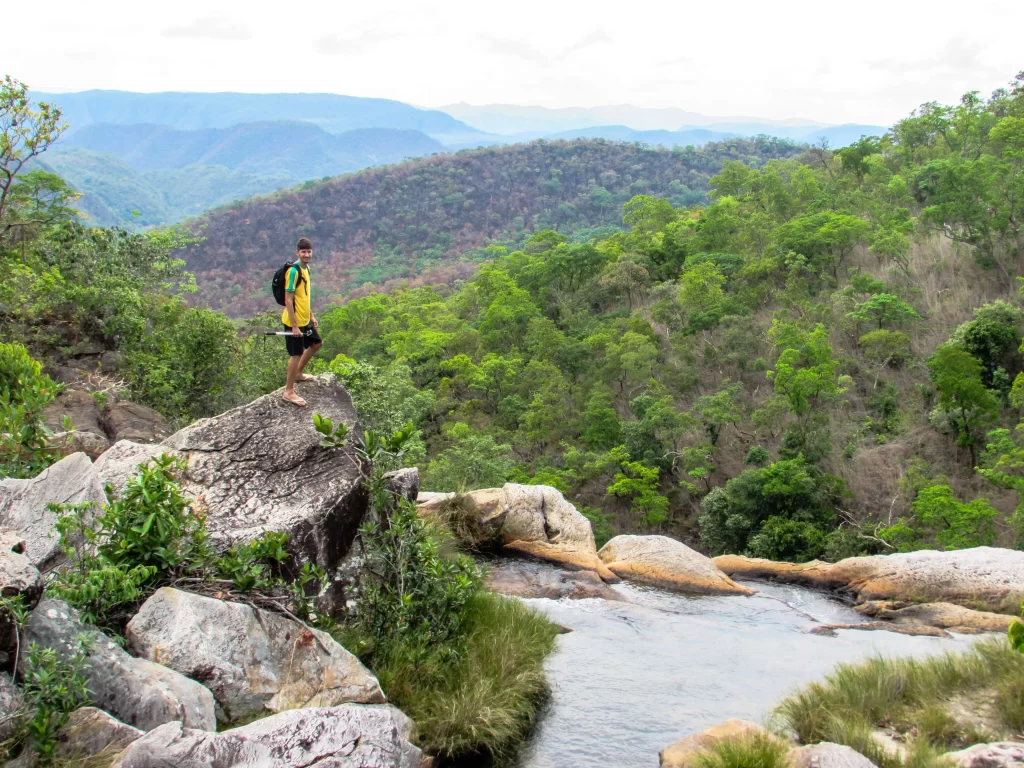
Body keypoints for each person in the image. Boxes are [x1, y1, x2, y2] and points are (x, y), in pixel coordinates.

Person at [281, 237, 322, 406]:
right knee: (295, 354)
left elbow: (304, 296)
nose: (306, 255)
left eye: (309, 251)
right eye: (303, 252)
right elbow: (288, 300)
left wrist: (311, 315)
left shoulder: (307, 269)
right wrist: (295, 326)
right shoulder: (293, 271)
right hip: (293, 322)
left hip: (305, 319)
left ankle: (298, 374)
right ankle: (288, 391)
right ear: (297, 252)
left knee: (316, 344)